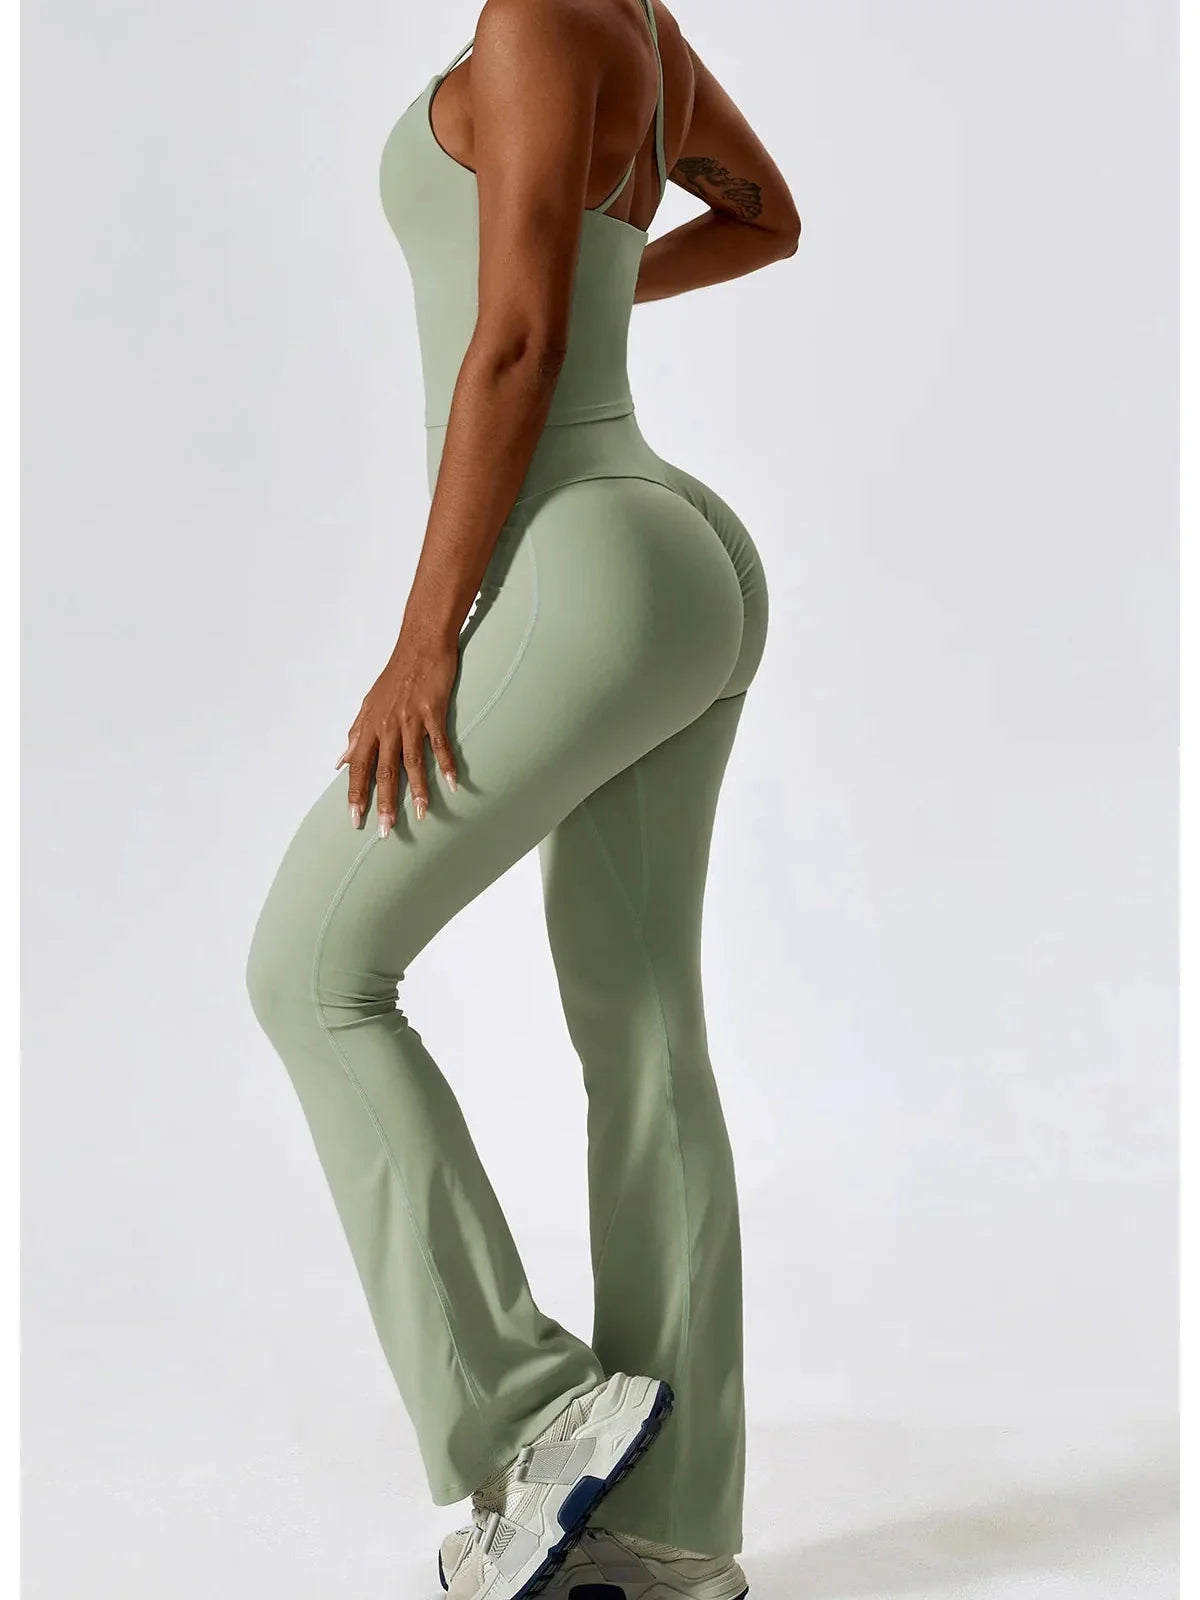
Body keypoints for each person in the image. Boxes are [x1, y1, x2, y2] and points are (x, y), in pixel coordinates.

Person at [245, 1, 800, 1595]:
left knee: (313, 975)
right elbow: (762, 219)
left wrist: (424, 643)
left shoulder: (535, 15)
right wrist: (581, 275)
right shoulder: (637, 19)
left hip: (583, 560)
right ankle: (670, 1536)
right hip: (676, 546)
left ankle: (529, 1410)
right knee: (643, 1024)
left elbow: (512, 345)